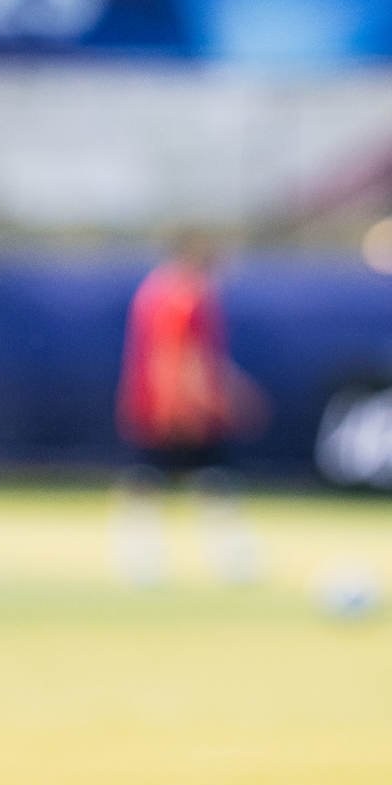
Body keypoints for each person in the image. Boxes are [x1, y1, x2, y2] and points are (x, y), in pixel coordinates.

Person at [112, 232, 263, 586]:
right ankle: (230, 560)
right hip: (174, 409)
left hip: (152, 404)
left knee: (150, 480)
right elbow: (180, 357)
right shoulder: (187, 296)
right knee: (206, 479)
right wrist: (189, 405)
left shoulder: (152, 290)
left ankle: (140, 560)